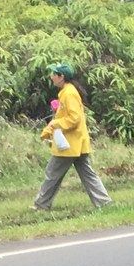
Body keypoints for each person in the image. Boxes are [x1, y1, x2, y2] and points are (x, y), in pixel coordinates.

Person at [34, 63, 112, 213]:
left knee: (52, 173)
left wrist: (55, 124)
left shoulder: (69, 93)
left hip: (69, 144)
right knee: (88, 174)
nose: (51, 76)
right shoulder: (67, 92)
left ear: (61, 77)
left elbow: (74, 118)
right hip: (78, 143)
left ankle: (41, 204)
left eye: (54, 74)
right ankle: (103, 202)